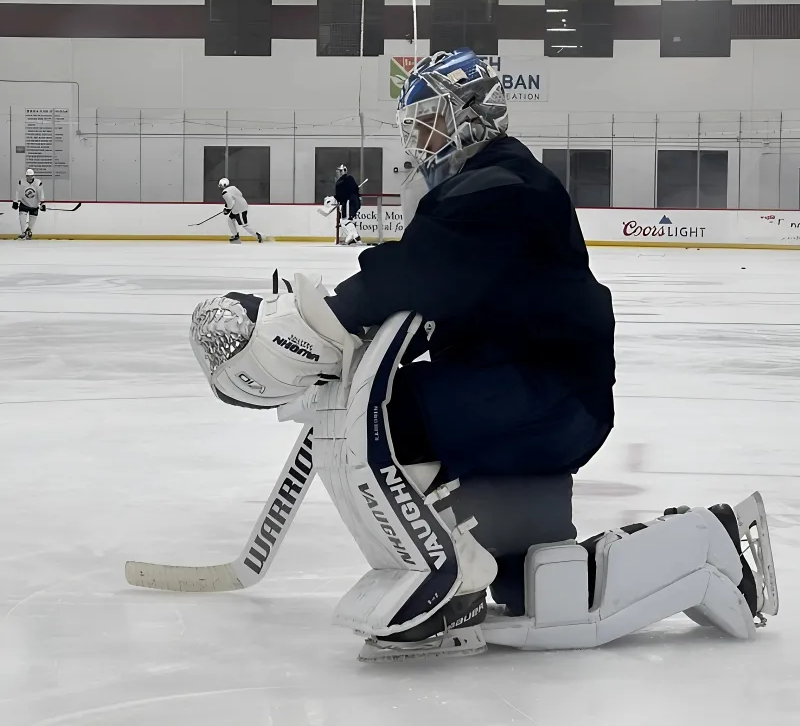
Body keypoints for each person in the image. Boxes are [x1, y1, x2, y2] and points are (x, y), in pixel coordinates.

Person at [188, 49, 778, 661]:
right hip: (525, 389)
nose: (417, 136)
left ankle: (449, 581)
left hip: (547, 395)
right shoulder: (473, 186)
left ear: (470, 113)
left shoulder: (504, 185)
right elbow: (439, 295)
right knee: (548, 590)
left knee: (397, 413)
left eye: (428, 118)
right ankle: (709, 539)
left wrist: (316, 321)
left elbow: (421, 273)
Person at [218, 178, 262, 244]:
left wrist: (227, 210)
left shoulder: (224, 193)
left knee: (245, 225)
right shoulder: (233, 187)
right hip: (240, 206)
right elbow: (239, 195)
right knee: (230, 220)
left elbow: (231, 202)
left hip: (239, 209)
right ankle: (236, 236)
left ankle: (257, 235)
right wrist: (227, 207)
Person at [334, 165, 363, 245]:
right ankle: (356, 238)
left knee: (345, 221)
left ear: (343, 171)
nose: (338, 173)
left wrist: (336, 198)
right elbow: (355, 189)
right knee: (344, 221)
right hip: (353, 202)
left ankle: (352, 236)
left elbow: (340, 195)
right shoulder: (349, 179)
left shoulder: (342, 181)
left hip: (349, 202)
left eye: (339, 171)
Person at [13, 168, 45, 240]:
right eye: (28, 176)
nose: (29, 177)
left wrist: (42, 203)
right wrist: (15, 201)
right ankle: (23, 232)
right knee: (22, 219)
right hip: (24, 203)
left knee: (32, 221)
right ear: (26, 176)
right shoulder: (21, 182)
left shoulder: (38, 183)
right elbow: (18, 191)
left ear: (33, 176)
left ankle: (29, 231)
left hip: (34, 205)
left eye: (31, 176)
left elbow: (41, 193)